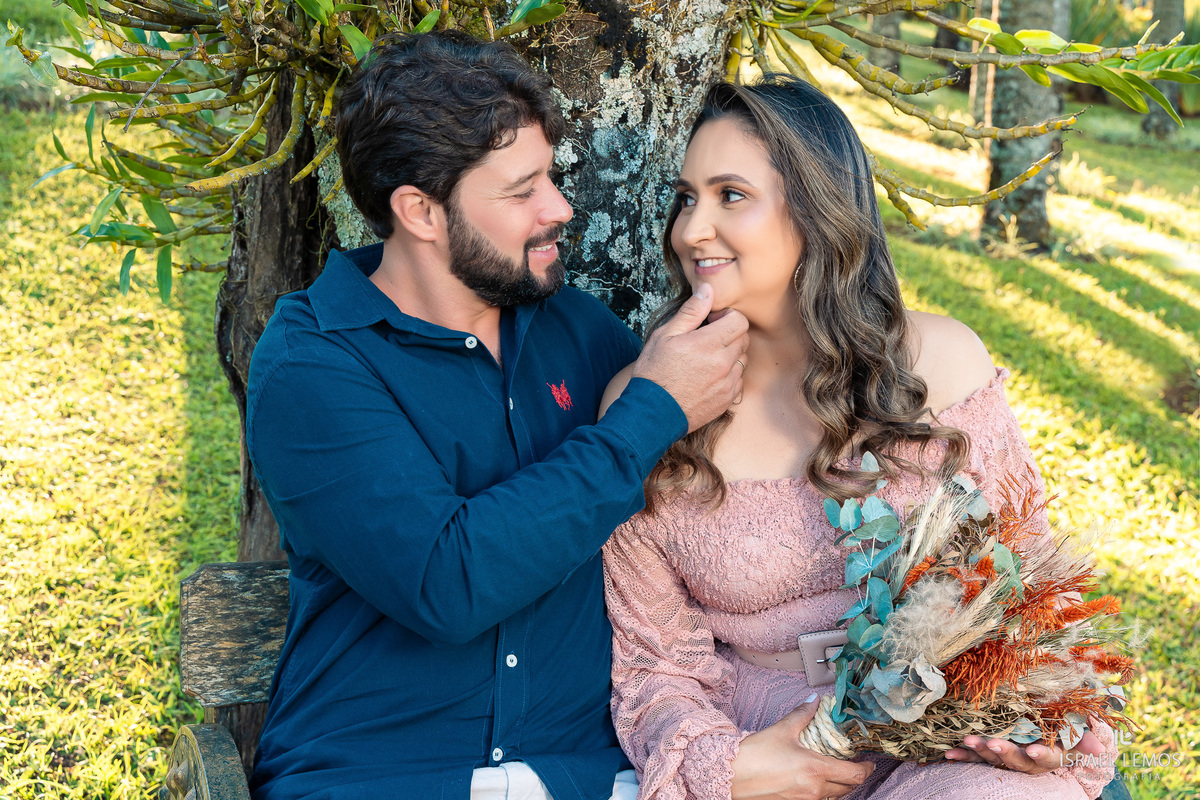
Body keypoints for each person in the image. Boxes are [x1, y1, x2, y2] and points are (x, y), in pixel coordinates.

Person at [244, 31, 750, 800]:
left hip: (584, 776)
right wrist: (651, 412)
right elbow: (449, 582)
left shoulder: (579, 332)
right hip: (379, 774)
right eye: (522, 191)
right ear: (418, 210)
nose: (560, 208)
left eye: (550, 176)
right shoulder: (314, 365)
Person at [599, 76, 1118, 800]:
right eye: (687, 198)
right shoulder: (651, 403)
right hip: (767, 742)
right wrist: (729, 766)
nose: (690, 230)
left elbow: (1025, 581)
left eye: (731, 196)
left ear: (816, 211)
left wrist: (1041, 726)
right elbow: (654, 666)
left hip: (947, 734)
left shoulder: (940, 366)